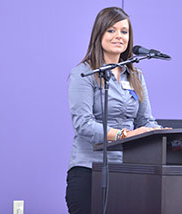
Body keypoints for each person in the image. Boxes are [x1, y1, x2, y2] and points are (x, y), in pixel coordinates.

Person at [65, 7, 162, 214]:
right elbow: (83, 124)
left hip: (127, 172)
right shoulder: (83, 73)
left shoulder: (136, 76)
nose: (119, 36)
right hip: (89, 171)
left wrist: (158, 132)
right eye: (111, 30)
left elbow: (146, 120)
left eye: (124, 32)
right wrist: (124, 135)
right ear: (98, 34)